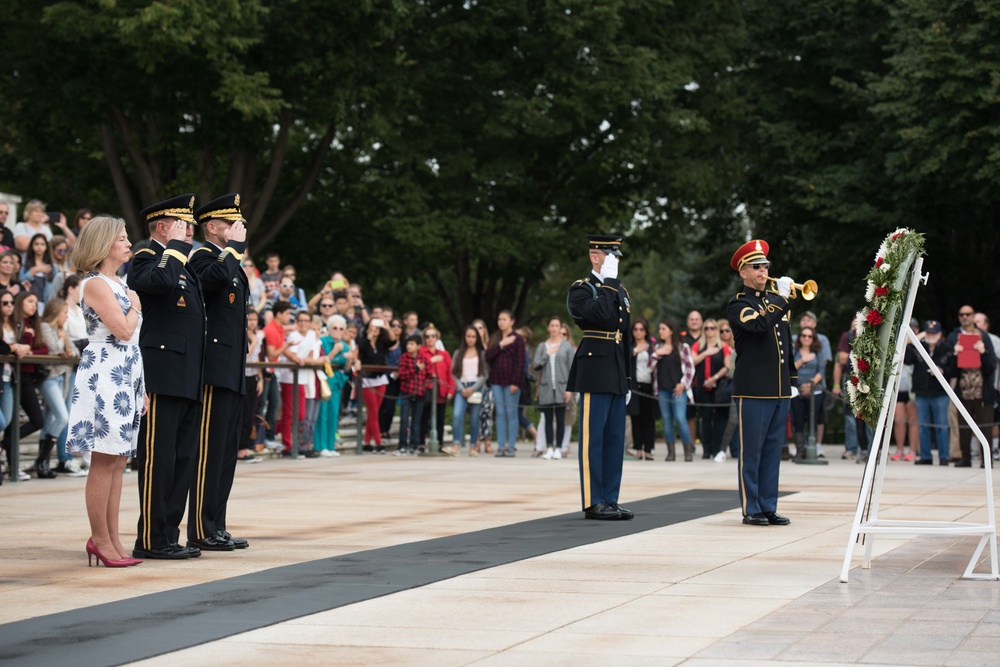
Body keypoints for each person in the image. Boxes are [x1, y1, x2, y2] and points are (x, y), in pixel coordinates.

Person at [128, 194, 206, 560]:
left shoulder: (182, 263)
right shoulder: (146, 257)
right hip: (162, 373)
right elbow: (157, 283)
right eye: (183, 224)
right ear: (163, 226)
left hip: (188, 373)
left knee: (182, 459)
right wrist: (174, 247)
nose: (190, 230)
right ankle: (151, 537)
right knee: (159, 460)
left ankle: (169, 535)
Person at [66, 215, 145, 567]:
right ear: (103, 244)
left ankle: (112, 539)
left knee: (118, 459)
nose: (128, 243)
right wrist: (136, 305)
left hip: (125, 374)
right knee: (104, 459)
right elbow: (123, 330)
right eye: (122, 238)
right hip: (105, 374)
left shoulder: (119, 283)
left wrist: (141, 388)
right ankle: (100, 539)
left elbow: (132, 342)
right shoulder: (96, 284)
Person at [185, 193, 251, 551]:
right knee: (209, 452)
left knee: (225, 453)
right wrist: (235, 249)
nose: (238, 229)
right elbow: (213, 279)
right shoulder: (203, 257)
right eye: (230, 223)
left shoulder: (230, 260)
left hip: (232, 367)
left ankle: (216, 524)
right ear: (212, 227)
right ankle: (201, 527)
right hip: (213, 367)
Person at [727, 239, 795, 526]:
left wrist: (791, 380)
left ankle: (768, 505)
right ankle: (751, 507)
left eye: (765, 266)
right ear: (743, 272)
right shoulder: (739, 304)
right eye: (756, 267)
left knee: (772, 452)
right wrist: (781, 300)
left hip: (779, 389)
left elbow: (787, 345)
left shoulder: (775, 303)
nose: (763, 271)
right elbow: (757, 325)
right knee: (752, 453)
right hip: (754, 390)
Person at [565, 234, 633, 520]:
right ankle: (594, 501)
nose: (615, 261)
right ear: (595, 257)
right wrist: (608, 283)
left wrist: (628, 378)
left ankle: (610, 498)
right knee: (593, 439)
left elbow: (625, 335)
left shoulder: (619, 289)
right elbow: (600, 315)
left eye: (616, 256)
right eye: (610, 255)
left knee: (615, 439)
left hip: (616, 369)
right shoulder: (582, 289)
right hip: (594, 369)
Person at [944, 305, 996, 467]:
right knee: (963, 427)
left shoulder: (984, 336)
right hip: (963, 391)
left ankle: (986, 460)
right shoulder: (954, 337)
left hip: (983, 392)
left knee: (985, 427)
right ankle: (965, 458)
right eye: (962, 314)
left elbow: (991, 367)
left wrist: (984, 352)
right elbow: (950, 371)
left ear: (973, 316)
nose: (965, 317)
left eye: (968, 314)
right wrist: (955, 354)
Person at [38, 297, 78, 477]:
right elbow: (54, 349)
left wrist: (67, 350)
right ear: (55, 312)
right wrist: (63, 344)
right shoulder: (45, 327)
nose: (66, 316)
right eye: (64, 313)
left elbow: (75, 351)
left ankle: (43, 464)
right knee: (62, 417)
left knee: (50, 420)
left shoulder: (61, 329)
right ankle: (41, 460)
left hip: (64, 378)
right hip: (50, 377)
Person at [9, 291, 48, 476]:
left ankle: (5, 449)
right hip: (16, 375)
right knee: (24, 420)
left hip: (28, 377)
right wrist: (27, 340)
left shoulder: (33, 324)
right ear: (20, 303)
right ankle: (11, 462)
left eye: (35, 302)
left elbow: (44, 349)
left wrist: (30, 345)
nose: (34, 305)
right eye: (29, 301)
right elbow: (17, 348)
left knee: (36, 420)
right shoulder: (15, 323)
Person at [905, 319, 950, 465]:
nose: (931, 336)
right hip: (922, 392)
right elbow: (906, 359)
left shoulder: (946, 348)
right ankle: (926, 456)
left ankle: (944, 456)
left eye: (934, 333)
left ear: (940, 334)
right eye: (928, 333)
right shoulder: (918, 347)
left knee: (941, 425)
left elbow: (953, 368)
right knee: (923, 425)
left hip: (940, 392)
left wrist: (943, 371)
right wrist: (914, 341)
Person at [651, 318, 695, 461]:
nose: (660, 331)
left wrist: (683, 384)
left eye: (663, 329)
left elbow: (690, 368)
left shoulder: (683, 347)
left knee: (680, 418)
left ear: (671, 331)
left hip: (678, 390)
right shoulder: (658, 347)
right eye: (660, 329)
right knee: (666, 420)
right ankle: (671, 452)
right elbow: (649, 368)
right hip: (662, 390)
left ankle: (688, 450)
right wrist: (657, 354)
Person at [485, 310, 525, 457]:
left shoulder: (518, 339)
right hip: (496, 381)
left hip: (511, 382)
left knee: (511, 414)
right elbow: (487, 356)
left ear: (512, 321)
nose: (501, 322)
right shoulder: (495, 338)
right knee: (500, 414)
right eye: (499, 319)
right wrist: (501, 345)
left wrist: (516, 382)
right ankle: (501, 446)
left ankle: (511, 446)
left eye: (504, 319)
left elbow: (520, 362)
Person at [534, 316, 574, 460]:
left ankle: (559, 448)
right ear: (548, 328)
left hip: (562, 388)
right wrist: (546, 355)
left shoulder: (566, 346)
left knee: (561, 419)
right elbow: (536, 365)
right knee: (548, 419)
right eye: (552, 325)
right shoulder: (542, 346)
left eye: (557, 326)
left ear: (560, 327)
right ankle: (549, 447)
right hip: (546, 388)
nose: (554, 328)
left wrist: (570, 389)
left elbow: (572, 368)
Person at [690, 318, 731, 460]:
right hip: (702, 387)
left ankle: (717, 449)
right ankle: (706, 449)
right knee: (705, 419)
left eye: (712, 328)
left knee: (719, 420)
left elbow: (727, 366)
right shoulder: (698, 345)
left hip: (718, 387)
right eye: (706, 328)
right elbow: (692, 361)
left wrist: (714, 378)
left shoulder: (723, 346)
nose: (709, 331)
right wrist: (706, 352)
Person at [315, 314, 352, 456]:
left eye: (341, 328)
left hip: (336, 381)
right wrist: (335, 351)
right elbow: (322, 360)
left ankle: (331, 446)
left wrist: (349, 361)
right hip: (323, 380)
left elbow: (346, 368)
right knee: (322, 413)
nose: (338, 331)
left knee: (333, 413)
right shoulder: (322, 341)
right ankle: (321, 446)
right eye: (335, 328)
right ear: (329, 329)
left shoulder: (345, 345)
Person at [791, 326, 827, 461]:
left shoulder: (818, 352)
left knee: (813, 421)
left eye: (809, 336)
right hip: (797, 391)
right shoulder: (794, 351)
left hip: (814, 391)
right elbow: (790, 369)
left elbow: (821, 371)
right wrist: (802, 360)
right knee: (798, 421)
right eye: (804, 335)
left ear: (813, 338)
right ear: (800, 337)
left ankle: (812, 450)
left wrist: (810, 385)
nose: (806, 338)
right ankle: (800, 451)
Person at [356, 318, 392, 453]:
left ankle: (366, 442)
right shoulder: (362, 342)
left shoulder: (382, 343)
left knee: (374, 412)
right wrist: (368, 337)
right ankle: (378, 442)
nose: (374, 330)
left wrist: (387, 327)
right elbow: (360, 351)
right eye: (372, 327)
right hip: (367, 380)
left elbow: (393, 341)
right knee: (373, 412)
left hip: (380, 379)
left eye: (377, 328)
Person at [419, 325, 455, 454]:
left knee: (440, 419)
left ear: (437, 338)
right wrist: (431, 360)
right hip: (426, 390)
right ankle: (421, 443)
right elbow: (419, 368)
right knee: (424, 417)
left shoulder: (444, 354)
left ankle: (439, 443)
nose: (430, 339)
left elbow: (450, 373)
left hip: (441, 390)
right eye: (427, 336)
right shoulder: (420, 352)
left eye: (433, 336)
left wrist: (451, 390)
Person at [452, 325, 487, 456]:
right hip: (461, 386)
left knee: (474, 418)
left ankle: (473, 446)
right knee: (457, 415)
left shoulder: (482, 354)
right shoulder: (458, 353)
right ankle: (456, 444)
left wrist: (473, 388)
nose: (470, 339)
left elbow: (484, 375)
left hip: (476, 387)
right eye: (468, 336)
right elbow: (453, 373)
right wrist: (461, 388)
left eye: (473, 336)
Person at [396, 334, 428, 454]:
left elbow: (429, 373)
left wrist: (425, 385)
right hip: (406, 393)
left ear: (419, 346)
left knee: (416, 421)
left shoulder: (424, 358)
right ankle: (402, 445)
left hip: (420, 393)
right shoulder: (404, 358)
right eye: (408, 344)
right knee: (404, 420)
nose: (409, 346)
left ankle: (414, 445)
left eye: (412, 344)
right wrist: (415, 369)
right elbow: (402, 374)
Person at [472, 318, 494, 454]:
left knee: (488, 412)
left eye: (480, 328)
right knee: (477, 413)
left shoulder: (490, 346)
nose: (478, 331)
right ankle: (476, 440)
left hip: (489, 383)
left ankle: (487, 441)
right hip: (475, 383)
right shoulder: (470, 348)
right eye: (475, 328)